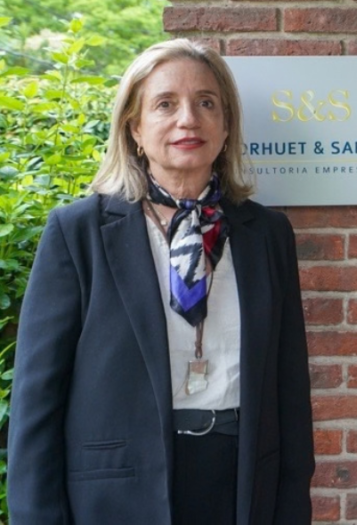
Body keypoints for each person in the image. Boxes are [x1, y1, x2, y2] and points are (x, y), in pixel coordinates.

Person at [8, 39, 314, 524]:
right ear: (134, 128)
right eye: (165, 104)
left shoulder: (267, 234)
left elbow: (290, 389)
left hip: (241, 488)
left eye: (206, 103)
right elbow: (37, 400)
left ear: (227, 124)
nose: (188, 119)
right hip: (119, 495)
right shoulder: (78, 233)